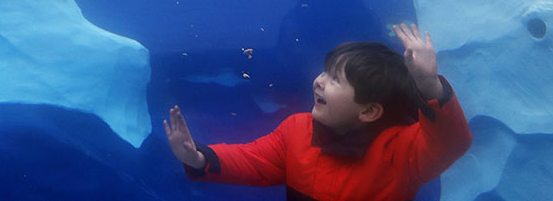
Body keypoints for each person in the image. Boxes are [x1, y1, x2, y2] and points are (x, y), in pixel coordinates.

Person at [164, 24, 472, 201]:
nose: (319, 81)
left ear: (369, 111)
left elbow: (451, 141)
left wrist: (428, 83)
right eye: (325, 73)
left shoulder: (400, 151)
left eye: (334, 80)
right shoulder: (297, 131)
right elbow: (254, 161)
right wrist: (198, 158)